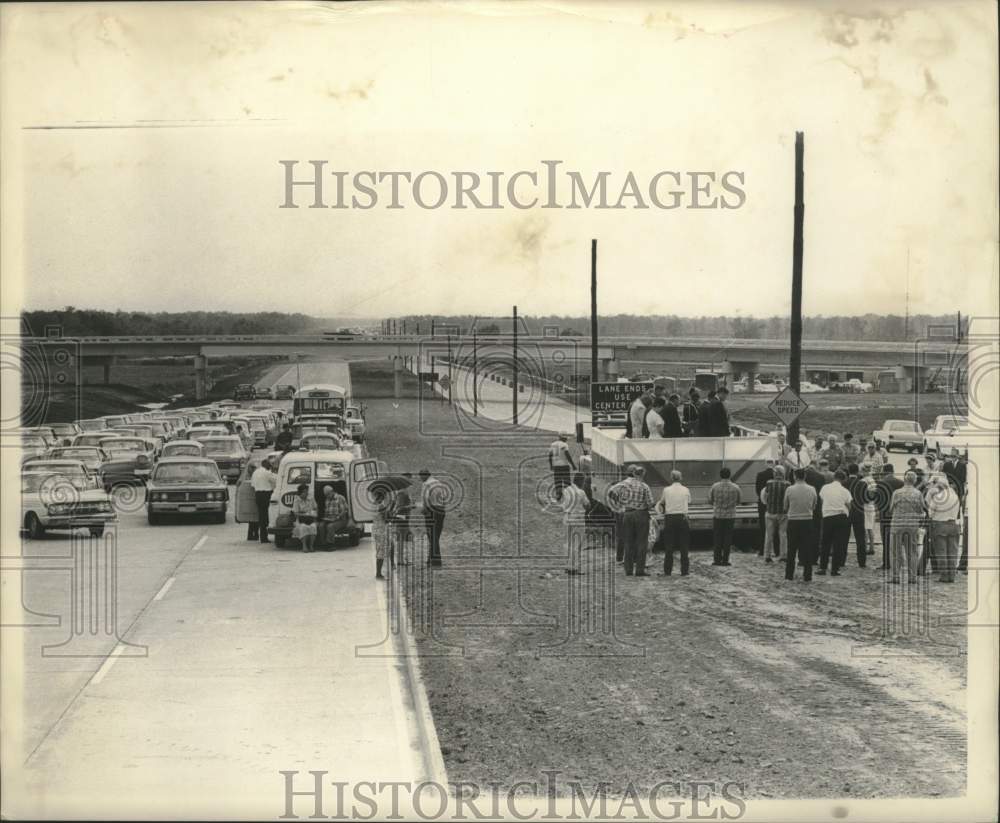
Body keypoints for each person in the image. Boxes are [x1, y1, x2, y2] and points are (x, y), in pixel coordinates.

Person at [888, 472, 925, 584]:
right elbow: (921, 510)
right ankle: (912, 577)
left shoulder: (897, 493)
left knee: (895, 551)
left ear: (904, 480)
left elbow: (890, 509)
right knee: (912, 552)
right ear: (914, 481)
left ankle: (895, 577)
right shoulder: (918, 493)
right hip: (912, 525)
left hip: (897, 525)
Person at [618, 465, 654, 577]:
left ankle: (628, 570)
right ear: (643, 475)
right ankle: (639, 570)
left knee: (628, 542)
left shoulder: (624, 485)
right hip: (641, 514)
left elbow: (619, 499)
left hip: (627, 514)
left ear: (634, 473)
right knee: (641, 543)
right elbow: (650, 503)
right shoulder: (644, 486)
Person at [924, 475, 961, 582]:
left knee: (942, 552)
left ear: (940, 486)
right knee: (953, 552)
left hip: (940, 525)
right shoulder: (955, 496)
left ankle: (944, 575)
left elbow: (930, 513)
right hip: (953, 524)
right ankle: (952, 575)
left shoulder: (938, 497)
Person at [784, 469, 818, 581]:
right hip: (807, 520)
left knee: (791, 549)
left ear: (794, 476)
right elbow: (814, 505)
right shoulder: (812, 489)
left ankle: (789, 574)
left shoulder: (789, 489)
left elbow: (785, 506)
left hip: (793, 520)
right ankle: (807, 575)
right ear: (805, 476)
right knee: (807, 548)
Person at [656, 469, 691, 576]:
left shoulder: (666, 490)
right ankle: (684, 571)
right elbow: (689, 501)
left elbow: (662, 502)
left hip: (670, 518)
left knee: (669, 545)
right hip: (682, 517)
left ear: (671, 478)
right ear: (681, 478)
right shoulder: (686, 489)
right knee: (684, 545)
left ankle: (668, 570)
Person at [817, 470, 852, 576]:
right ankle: (835, 569)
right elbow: (849, 505)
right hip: (840, 517)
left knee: (825, 543)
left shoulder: (825, 488)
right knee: (838, 544)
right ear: (843, 479)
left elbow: (822, 500)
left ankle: (822, 567)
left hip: (828, 516)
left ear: (834, 477)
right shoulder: (845, 491)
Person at [708, 467, 741, 566]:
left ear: (720, 475)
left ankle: (717, 560)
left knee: (717, 537)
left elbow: (710, 500)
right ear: (729, 475)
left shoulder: (715, 486)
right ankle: (725, 560)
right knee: (728, 538)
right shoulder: (736, 487)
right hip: (730, 515)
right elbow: (739, 501)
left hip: (718, 515)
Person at [559, 473, 591, 572]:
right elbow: (587, 505)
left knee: (568, 542)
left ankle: (568, 566)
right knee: (577, 543)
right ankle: (574, 567)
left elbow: (561, 503)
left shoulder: (566, 490)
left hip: (567, 517)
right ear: (581, 481)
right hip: (578, 519)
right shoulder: (581, 492)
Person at [875, 464, 904, 570]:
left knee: (886, 539)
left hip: (885, 513)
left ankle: (886, 562)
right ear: (893, 471)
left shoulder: (881, 483)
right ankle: (899, 562)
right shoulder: (900, 483)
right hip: (898, 513)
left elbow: (877, 499)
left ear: (884, 472)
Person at [760, 465, 790, 562]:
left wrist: (767, 504)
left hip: (770, 512)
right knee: (783, 534)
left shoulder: (769, 483)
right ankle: (783, 555)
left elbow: (764, 497)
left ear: (775, 473)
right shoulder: (787, 484)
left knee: (769, 535)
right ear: (783, 474)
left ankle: (767, 555)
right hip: (783, 513)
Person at [420, 469, 447, 567]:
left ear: (424, 476)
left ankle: (436, 561)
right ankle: (430, 558)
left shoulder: (426, 484)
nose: (420, 479)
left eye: (421, 477)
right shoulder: (439, 483)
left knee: (432, 536)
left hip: (432, 510)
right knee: (436, 535)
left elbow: (426, 498)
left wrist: (425, 509)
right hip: (441, 511)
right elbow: (444, 497)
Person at [844, 463, 868, 567]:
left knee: (843, 537)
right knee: (860, 538)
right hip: (859, 511)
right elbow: (866, 499)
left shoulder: (844, 483)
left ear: (848, 471)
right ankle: (862, 562)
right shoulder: (862, 484)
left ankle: (841, 560)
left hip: (846, 512)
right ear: (857, 471)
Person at [389, 473, 414, 565]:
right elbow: (400, 507)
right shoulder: (403, 492)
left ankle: (403, 559)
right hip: (402, 518)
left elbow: (394, 505)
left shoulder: (401, 491)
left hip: (402, 518)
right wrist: (411, 506)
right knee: (402, 539)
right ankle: (401, 560)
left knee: (404, 539)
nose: (411, 481)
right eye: (409, 479)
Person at [251, 458, 277, 544]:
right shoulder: (267, 472)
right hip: (266, 494)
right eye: (269, 465)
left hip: (258, 494)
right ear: (266, 465)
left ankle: (261, 536)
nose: (270, 466)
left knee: (261, 516)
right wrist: (273, 471)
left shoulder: (255, 472)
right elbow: (276, 480)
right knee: (266, 516)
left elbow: (253, 485)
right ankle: (264, 537)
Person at [754, 459, 776, 557]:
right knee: (776, 527)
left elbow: (757, 490)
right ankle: (777, 550)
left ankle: (762, 550)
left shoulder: (760, 474)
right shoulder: (777, 474)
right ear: (774, 464)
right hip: (775, 503)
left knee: (763, 527)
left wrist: (763, 498)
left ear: (766, 464)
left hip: (763, 503)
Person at [548, 432, 576, 501]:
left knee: (558, 482)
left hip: (556, 466)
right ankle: (568, 497)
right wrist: (573, 465)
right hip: (564, 466)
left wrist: (551, 465)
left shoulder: (553, 444)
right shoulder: (564, 445)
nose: (566, 439)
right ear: (563, 438)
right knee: (566, 482)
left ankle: (558, 496)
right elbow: (567, 455)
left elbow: (550, 456)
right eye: (566, 438)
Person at [372, 489, 393, 579]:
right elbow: (387, 519)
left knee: (384, 548)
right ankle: (378, 573)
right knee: (381, 551)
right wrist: (390, 509)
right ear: (382, 496)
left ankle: (381, 571)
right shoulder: (381, 506)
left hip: (376, 529)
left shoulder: (372, 505)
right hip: (382, 530)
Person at [292, 482, 318, 553]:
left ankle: (311, 546)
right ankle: (304, 546)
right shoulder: (297, 500)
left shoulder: (311, 498)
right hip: (301, 520)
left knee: (313, 527)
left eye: (307, 491)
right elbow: (295, 513)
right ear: (300, 493)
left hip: (311, 518)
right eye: (305, 492)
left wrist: (314, 515)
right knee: (303, 527)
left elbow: (315, 508)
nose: (307, 493)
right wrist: (305, 514)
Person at [237, 461, 259, 541]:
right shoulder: (245, 476)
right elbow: (239, 484)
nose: (252, 469)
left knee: (256, 518)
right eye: (251, 467)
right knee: (251, 519)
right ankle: (250, 535)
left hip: (255, 498)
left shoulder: (256, 475)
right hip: (248, 499)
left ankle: (256, 534)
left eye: (253, 468)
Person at [860, 465, 878, 556]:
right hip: (871, 505)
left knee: (865, 527)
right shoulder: (872, 480)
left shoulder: (863, 481)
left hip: (865, 505)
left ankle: (865, 547)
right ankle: (871, 547)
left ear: (864, 471)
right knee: (870, 527)